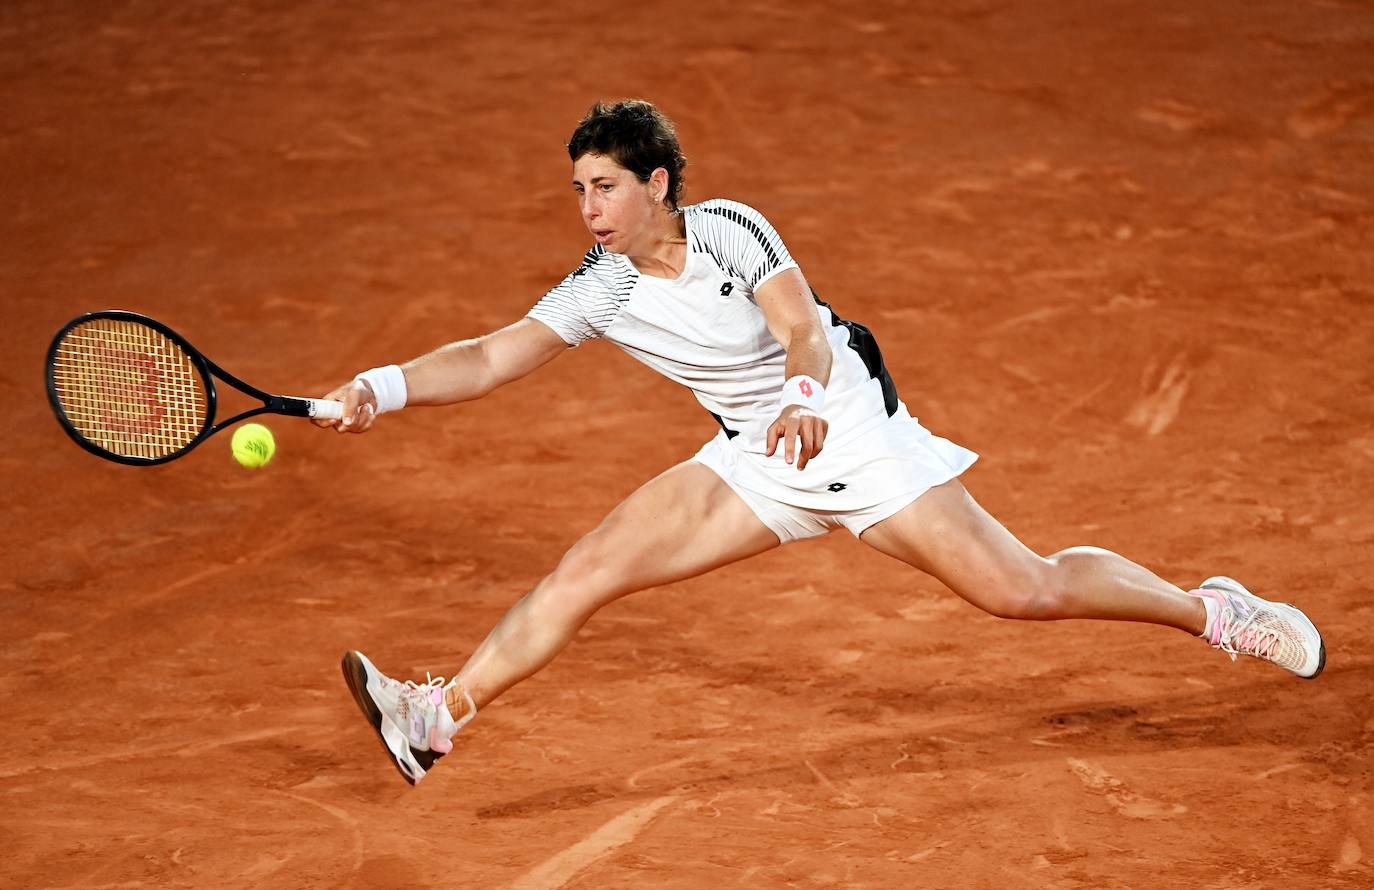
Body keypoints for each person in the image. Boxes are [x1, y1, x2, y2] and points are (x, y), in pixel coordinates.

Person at [318, 99, 1325, 786]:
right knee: (587, 570)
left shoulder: (726, 230)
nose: (589, 210)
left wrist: (803, 392)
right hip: (755, 455)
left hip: (846, 423)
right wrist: (382, 384)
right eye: (579, 190)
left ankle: (1214, 610)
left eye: (605, 188)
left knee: (1027, 588)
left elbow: (801, 323)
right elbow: (494, 356)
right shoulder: (603, 283)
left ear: (657, 183)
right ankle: (436, 712)